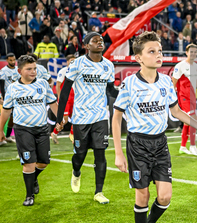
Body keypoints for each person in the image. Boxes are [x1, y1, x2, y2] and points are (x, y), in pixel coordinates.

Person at [112, 31, 197, 223]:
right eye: (152, 51)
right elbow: (117, 117)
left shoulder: (166, 82)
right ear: (139, 58)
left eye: (159, 51)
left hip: (160, 143)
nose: (158, 55)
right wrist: (118, 153)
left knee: (165, 196)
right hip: (138, 145)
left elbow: (176, 112)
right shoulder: (129, 84)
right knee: (143, 195)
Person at [55, 32, 117, 204]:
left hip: (100, 116)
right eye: (94, 41)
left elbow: (111, 91)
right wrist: (60, 118)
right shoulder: (77, 64)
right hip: (81, 117)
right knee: (80, 155)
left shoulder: (109, 65)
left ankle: (99, 192)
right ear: (86, 46)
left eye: (101, 40)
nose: (99, 42)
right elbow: (66, 90)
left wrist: (125, 93)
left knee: (100, 153)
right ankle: (76, 172)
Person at [0, 55, 58, 206]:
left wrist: (61, 120)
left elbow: (53, 103)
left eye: (35, 69)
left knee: (43, 162)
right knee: (29, 163)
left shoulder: (43, 84)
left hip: (42, 128)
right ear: (19, 71)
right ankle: (29, 196)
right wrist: (1, 130)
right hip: (23, 129)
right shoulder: (13, 88)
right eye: (29, 69)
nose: (33, 72)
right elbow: (6, 111)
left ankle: (34, 179)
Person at [172, 44, 197, 156]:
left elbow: (196, 82)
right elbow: (174, 82)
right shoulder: (180, 66)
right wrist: (171, 97)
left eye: (195, 52)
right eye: (191, 52)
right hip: (183, 97)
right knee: (193, 119)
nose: (193, 54)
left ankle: (182, 146)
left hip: (192, 97)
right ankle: (193, 146)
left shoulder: (195, 66)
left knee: (187, 122)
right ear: (186, 52)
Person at [51, 54, 77, 144]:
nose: (73, 62)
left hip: (74, 98)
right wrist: (60, 97)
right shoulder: (63, 71)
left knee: (75, 117)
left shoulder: (77, 71)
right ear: (67, 62)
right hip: (66, 99)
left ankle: (72, 135)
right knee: (64, 120)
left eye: (74, 61)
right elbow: (58, 85)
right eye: (71, 61)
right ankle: (54, 133)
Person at [0, 53, 20, 143]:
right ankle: (1, 135)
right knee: (4, 116)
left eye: (14, 60)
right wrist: (4, 98)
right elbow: (2, 85)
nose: (12, 62)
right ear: (7, 60)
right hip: (7, 97)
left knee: (13, 117)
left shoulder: (18, 70)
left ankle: (8, 135)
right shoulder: (3, 71)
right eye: (10, 60)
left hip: (17, 96)